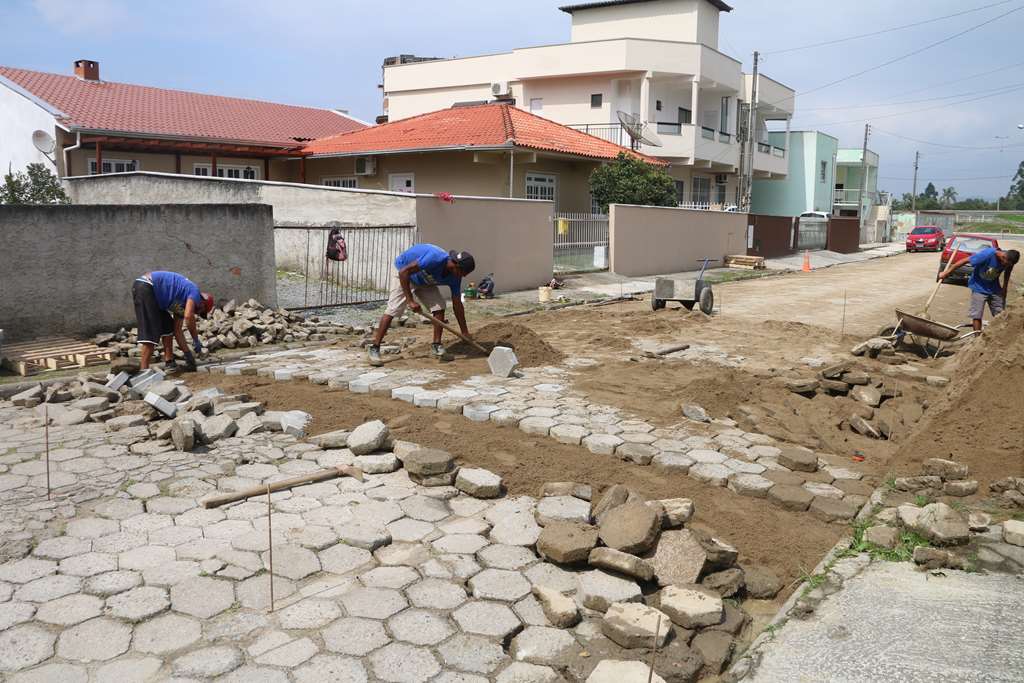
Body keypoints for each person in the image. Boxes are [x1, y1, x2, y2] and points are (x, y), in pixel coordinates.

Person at [368, 244, 475, 366]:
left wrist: (464, 332)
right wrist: (410, 301)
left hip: (425, 280)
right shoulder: (435, 258)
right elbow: (404, 273)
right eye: (463, 272)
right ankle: (374, 348)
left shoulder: (455, 277)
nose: (463, 276)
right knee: (394, 309)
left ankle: (436, 346)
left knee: (439, 307)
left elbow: (457, 304)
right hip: (404, 273)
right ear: (455, 265)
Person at [132, 271, 214, 371]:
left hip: (154, 296)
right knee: (151, 334)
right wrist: (195, 339)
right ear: (202, 303)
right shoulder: (195, 292)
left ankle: (169, 362)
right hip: (146, 287)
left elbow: (177, 331)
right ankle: (143, 371)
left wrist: (188, 354)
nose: (197, 313)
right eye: (201, 311)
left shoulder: (180, 304)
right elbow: (188, 316)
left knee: (168, 327)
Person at [939, 246, 1019, 331]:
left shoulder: (1010, 261)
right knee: (977, 315)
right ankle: (977, 338)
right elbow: (964, 261)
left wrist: (1004, 288)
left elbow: (1008, 273)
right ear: (1004, 257)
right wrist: (946, 273)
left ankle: (999, 336)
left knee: (1001, 314)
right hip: (978, 287)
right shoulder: (986, 254)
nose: (1007, 266)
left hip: (994, 288)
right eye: (1006, 264)